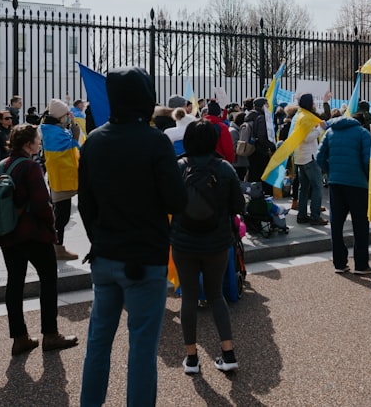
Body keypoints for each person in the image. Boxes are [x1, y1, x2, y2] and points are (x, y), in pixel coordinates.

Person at [78, 67, 186, 407]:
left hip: (105, 254)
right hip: (145, 257)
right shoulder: (155, 140)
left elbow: (85, 204)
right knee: (141, 349)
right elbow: (176, 201)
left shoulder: (94, 139)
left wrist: (99, 238)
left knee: (98, 343)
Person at [0, 123, 78, 356]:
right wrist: (52, 229)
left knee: (15, 284)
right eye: (37, 140)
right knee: (48, 281)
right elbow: (42, 203)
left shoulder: (2, 165)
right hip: (34, 233)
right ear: (29, 144)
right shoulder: (30, 166)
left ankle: (20, 337)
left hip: (8, 233)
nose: (40, 143)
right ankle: (50, 334)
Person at [172, 120, 246, 375]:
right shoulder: (224, 168)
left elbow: (169, 204)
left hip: (183, 242)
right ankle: (228, 353)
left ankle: (191, 359)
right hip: (217, 241)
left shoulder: (179, 166)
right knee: (216, 296)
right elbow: (238, 206)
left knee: (189, 298)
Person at [317, 111, 371, 273]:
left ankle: (340, 263)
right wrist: (367, 178)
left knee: (336, 224)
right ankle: (361, 264)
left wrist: (330, 172)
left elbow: (320, 157)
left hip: (336, 182)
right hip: (358, 184)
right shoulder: (363, 133)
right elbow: (366, 160)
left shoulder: (330, 132)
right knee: (360, 225)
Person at [40, 99, 81, 261]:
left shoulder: (55, 129)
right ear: (60, 116)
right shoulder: (53, 132)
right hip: (60, 177)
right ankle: (56, 247)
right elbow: (72, 147)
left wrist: (72, 125)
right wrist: (74, 128)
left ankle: (55, 245)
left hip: (60, 176)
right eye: (66, 115)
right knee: (61, 215)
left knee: (60, 213)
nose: (69, 117)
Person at [293, 94, 328, 226]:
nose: (314, 103)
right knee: (317, 187)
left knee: (304, 188)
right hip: (310, 157)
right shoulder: (306, 117)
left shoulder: (300, 115)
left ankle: (302, 215)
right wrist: (320, 128)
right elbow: (307, 138)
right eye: (313, 101)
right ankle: (315, 216)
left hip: (301, 157)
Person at [244, 97, 275, 183]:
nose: (268, 106)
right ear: (262, 105)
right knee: (260, 174)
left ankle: (253, 193)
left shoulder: (252, 115)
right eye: (266, 104)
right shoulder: (261, 117)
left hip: (253, 150)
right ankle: (258, 194)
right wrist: (272, 146)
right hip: (260, 150)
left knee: (253, 174)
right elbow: (261, 137)